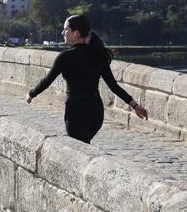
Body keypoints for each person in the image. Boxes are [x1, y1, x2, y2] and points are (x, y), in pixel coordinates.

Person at [26, 15, 148, 143]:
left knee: (77, 149)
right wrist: (135, 106)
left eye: (66, 29)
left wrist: (31, 94)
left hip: (76, 111)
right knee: (84, 145)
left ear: (76, 33)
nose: (63, 32)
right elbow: (113, 86)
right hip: (95, 112)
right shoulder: (98, 55)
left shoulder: (65, 57)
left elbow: (47, 80)